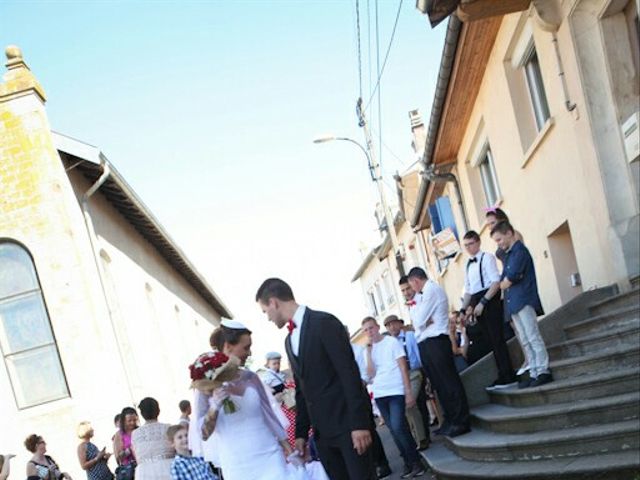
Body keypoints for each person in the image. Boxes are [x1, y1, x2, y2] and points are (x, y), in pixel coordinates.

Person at [256, 278, 376, 480]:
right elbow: (302, 391)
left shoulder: (324, 323)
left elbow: (349, 375)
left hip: (349, 429)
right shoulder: (288, 341)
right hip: (322, 436)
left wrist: (359, 424)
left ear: (274, 302)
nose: (267, 317)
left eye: (265, 311)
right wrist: (301, 434)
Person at [200, 321, 309, 480]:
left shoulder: (251, 377)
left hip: (270, 454)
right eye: (246, 347)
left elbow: (269, 416)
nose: (249, 353)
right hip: (238, 464)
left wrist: (289, 450)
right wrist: (214, 406)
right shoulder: (206, 383)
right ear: (229, 347)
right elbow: (203, 434)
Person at [407, 267, 471, 438]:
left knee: (449, 381)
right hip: (426, 343)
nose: (412, 289)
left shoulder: (431, 290)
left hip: (437, 341)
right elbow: (416, 323)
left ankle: (461, 420)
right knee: (439, 385)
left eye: (411, 285)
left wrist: (423, 321)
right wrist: (423, 321)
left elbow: (419, 320)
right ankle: (450, 420)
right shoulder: (421, 296)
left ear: (415, 281)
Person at [491, 221, 553, 389]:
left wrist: (505, 282)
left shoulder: (520, 252)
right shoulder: (509, 255)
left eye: (499, 239)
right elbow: (501, 280)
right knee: (525, 339)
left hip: (523, 300)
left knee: (532, 336)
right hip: (514, 302)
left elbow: (509, 278)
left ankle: (543, 370)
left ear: (509, 234)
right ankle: (533, 372)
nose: (499, 244)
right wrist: (504, 282)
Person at [362, 317, 425, 478]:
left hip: (396, 390)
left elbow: (403, 367)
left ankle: (416, 462)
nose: (369, 332)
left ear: (377, 327)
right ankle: (408, 462)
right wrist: (369, 351)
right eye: (366, 330)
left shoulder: (391, 342)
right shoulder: (368, 350)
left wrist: (408, 391)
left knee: (398, 427)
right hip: (380, 393)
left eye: (371, 328)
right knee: (395, 430)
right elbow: (370, 374)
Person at [460, 230, 516, 388]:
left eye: (471, 244)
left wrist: (483, 302)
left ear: (478, 242)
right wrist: (463, 309)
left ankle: (508, 374)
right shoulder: (468, 264)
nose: (469, 248)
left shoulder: (487, 258)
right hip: (477, 299)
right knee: (489, 340)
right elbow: (468, 290)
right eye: (466, 245)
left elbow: (495, 282)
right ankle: (501, 373)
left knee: (497, 338)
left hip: (490, 299)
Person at [383, 314, 430, 451]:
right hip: (400, 377)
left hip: (414, 372)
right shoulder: (389, 342)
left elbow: (418, 354)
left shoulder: (409, 336)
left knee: (411, 403)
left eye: (394, 324)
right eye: (389, 325)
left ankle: (422, 436)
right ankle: (421, 437)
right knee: (415, 406)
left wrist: (424, 372)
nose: (392, 327)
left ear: (399, 324)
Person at [131, 397, 174, 480]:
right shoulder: (168, 428)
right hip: (168, 467)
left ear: (142, 414)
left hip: (144, 472)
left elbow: (137, 456)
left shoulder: (135, 433)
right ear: (158, 411)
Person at [113, 407, 138, 479]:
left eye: (134, 420)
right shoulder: (119, 434)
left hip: (141, 467)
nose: (132, 423)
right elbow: (118, 457)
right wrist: (129, 450)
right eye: (129, 421)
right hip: (129, 471)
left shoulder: (139, 430)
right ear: (124, 421)